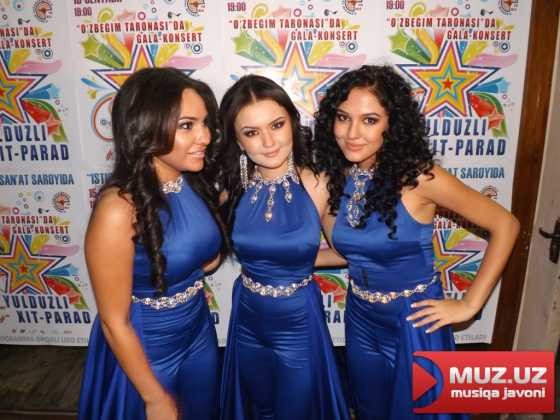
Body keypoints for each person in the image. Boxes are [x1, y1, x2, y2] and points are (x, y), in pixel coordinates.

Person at [313, 64, 520, 419]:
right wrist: (289, 260)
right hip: (360, 317)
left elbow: (506, 224)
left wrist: (469, 305)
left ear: (392, 124)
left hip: (415, 321)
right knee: (370, 410)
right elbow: (350, 252)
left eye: (369, 120)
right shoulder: (340, 177)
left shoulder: (419, 177)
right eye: (343, 118)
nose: (352, 133)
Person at [78, 67, 224, 420]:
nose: (204, 136)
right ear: (146, 127)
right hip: (147, 349)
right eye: (187, 125)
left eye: (205, 123)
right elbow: (114, 322)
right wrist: (153, 398)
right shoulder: (118, 208)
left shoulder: (191, 182)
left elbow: (207, 260)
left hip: (199, 333)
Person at [215, 74, 349, 420]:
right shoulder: (231, 189)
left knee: (297, 410)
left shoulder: (319, 183)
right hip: (247, 317)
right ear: (237, 140)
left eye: (277, 125)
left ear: (292, 122)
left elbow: (345, 251)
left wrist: (297, 263)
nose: (269, 142)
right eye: (251, 132)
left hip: (298, 322)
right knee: (258, 408)